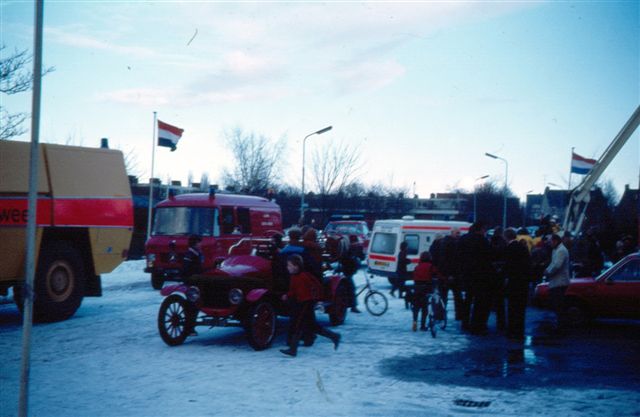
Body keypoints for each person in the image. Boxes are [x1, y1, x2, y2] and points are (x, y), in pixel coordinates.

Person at [280, 255, 340, 357]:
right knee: (312, 326)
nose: (287, 267)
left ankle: (293, 349)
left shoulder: (304, 276)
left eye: (289, 265)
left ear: (296, 266)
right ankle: (334, 336)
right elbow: (293, 291)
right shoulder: (295, 277)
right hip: (303, 302)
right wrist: (287, 295)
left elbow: (315, 287)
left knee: (298, 325)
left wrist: (315, 299)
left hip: (305, 303)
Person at [503, 228, 531, 341]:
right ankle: (520, 330)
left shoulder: (509, 249)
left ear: (506, 237)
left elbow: (508, 266)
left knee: (512, 307)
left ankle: (512, 330)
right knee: (521, 308)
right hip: (523, 282)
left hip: (513, 282)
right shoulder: (523, 247)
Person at [543, 234, 571, 331]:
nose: (550, 244)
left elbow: (557, 265)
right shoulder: (557, 250)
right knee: (558, 304)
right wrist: (547, 270)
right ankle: (561, 324)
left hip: (560, 281)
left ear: (555, 241)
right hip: (557, 281)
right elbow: (553, 263)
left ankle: (562, 326)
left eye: (551, 242)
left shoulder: (561, 251)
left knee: (559, 304)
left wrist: (548, 272)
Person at [411, 251, 437, 331]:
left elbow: (414, 277)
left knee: (416, 306)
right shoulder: (431, 266)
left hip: (417, 288)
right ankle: (422, 325)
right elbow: (436, 274)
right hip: (426, 289)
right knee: (424, 307)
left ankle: (415, 321)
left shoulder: (417, 267)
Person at [336, 236, 361, 313]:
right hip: (347, 272)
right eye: (356, 243)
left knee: (351, 288)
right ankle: (353, 307)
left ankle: (352, 305)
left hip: (349, 272)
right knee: (351, 288)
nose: (357, 244)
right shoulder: (348, 251)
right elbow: (347, 262)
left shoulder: (352, 250)